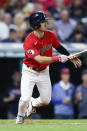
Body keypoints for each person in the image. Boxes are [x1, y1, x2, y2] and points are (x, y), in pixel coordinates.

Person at [16, 11, 81, 124]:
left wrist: (70, 57)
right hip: (29, 71)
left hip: (44, 71)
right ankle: (20, 116)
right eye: (42, 22)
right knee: (25, 98)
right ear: (36, 24)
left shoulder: (50, 35)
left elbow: (59, 47)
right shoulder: (29, 40)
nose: (45, 23)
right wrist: (58, 58)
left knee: (46, 100)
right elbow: (39, 59)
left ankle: (32, 104)